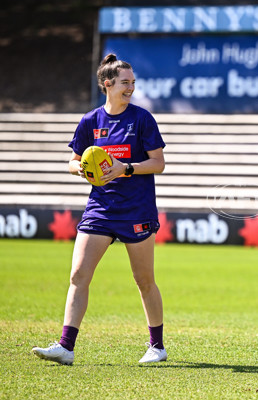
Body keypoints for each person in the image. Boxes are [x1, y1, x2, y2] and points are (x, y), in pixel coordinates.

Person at [32, 53, 167, 365]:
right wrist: (80, 169)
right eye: (125, 82)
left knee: (144, 279)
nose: (130, 87)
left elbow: (158, 163)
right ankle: (66, 347)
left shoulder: (142, 119)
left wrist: (126, 168)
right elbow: (73, 160)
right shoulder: (91, 120)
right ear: (108, 84)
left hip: (136, 209)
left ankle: (157, 346)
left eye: (133, 82)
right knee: (78, 273)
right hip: (101, 208)